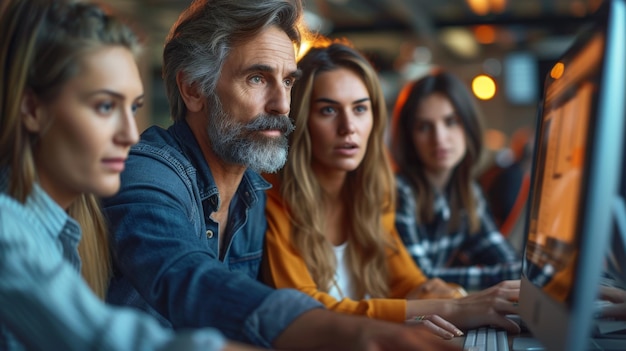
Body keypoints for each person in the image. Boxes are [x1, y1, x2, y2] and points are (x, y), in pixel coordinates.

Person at [101, 0, 460, 350]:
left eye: (287, 82)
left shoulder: (252, 193)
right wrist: (348, 332)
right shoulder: (147, 171)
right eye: (257, 78)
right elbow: (185, 275)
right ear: (194, 89)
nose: (282, 105)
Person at [0, 0, 259, 350]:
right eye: (105, 106)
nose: (128, 134)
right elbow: (109, 340)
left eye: (133, 107)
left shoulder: (69, 230)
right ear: (31, 109)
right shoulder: (8, 231)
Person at [261, 42, 521, 335]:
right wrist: (451, 308)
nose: (349, 127)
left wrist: (457, 298)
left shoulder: (372, 193)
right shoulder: (270, 200)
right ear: (300, 118)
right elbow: (308, 311)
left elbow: (409, 283)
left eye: (360, 108)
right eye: (328, 110)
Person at [390, 69, 522, 291]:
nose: (439, 138)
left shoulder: (467, 192)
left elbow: (506, 259)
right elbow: (424, 279)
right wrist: (520, 275)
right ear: (409, 137)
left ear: (469, 126)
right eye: (424, 127)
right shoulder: (398, 192)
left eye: (451, 122)